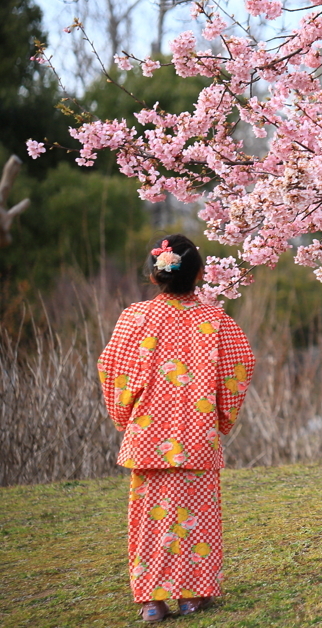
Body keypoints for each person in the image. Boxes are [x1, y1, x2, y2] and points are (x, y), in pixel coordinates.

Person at [98, 234, 255, 622]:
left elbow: (112, 368)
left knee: (149, 517)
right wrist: (221, 416)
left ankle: (152, 602)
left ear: (155, 276)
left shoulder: (134, 317)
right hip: (195, 433)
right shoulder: (215, 320)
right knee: (196, 513)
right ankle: (192, 595)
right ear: (199, 274)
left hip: (148, 435)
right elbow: (241, 365)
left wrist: (125, 415)